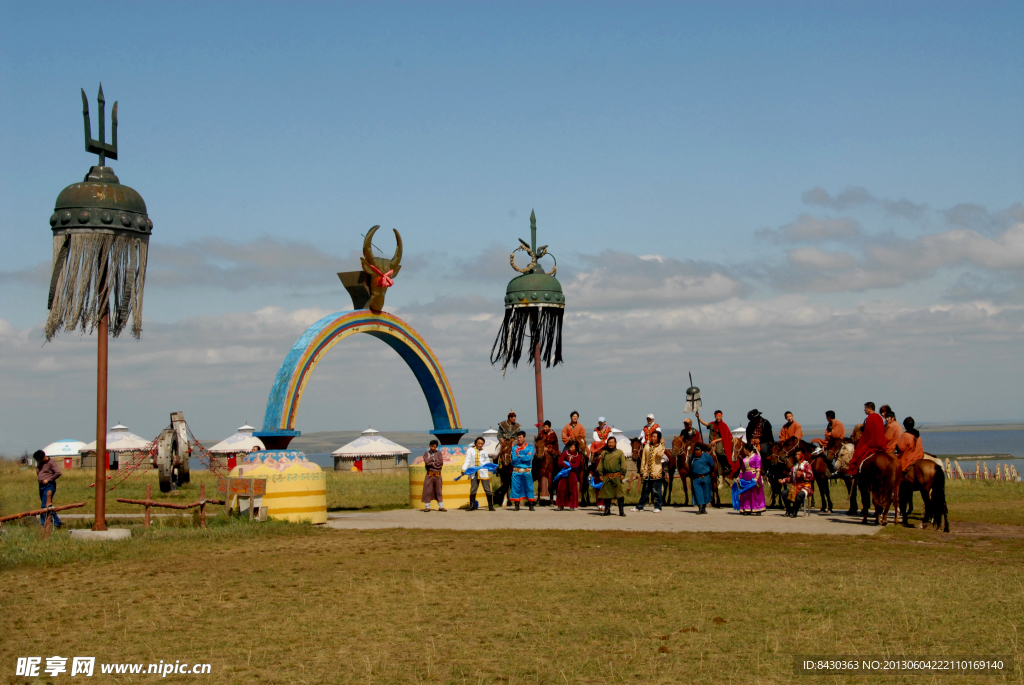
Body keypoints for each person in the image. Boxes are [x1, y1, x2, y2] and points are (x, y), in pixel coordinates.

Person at [848, 402, 886, 476]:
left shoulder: (871, 417)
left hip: (873, 444)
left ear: (869, 409)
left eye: (865, 408)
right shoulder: (879, 417)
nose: (864, 410)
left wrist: (861, 443)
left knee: (858, 454)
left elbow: (867, 434)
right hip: (882, 443)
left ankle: (853, 473)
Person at [633, 430, 665, 512]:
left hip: (656, 471)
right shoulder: (647, 446)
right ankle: (640, 506)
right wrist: (642, 469)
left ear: (658, 438)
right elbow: (644, 458)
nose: (652, 438)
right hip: (647, 471)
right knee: (645, 490)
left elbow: (659, 455)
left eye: (655, 437)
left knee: (657, 491)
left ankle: (658, 506)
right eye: (652, 436)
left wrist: (661, 444)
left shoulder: (661, 447)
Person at [697, 410, 735, 478]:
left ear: (722, 416)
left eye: (719, 416)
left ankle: (726, 466)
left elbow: (725, 437)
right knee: (704, 452)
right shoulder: (712, 424)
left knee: (719, 451)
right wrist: (698, 417)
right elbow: (705, 423)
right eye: (717, 416)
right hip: (711, 442)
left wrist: (715, 441)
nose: (718, 417)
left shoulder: (724, 425)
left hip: (719, 441)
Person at [596, 436, 627, 517]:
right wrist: (600, 474)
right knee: (607, 495)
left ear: (615, 443)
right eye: (609, 442)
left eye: (612, 442)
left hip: (617, 475)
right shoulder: (604, 453)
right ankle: (607, 510)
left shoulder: (619, 452)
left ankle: (621, 511)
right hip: (607, 476)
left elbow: (623, 464)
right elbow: (600, 465)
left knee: (619, 494)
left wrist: (623, 474)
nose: (610, 444)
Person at [461, 436, 494, 511]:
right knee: (473, 489)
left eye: (482, 444)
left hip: (483, 472)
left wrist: (489, 466)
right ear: (476, 443)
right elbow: (467, 460)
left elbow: (487, 461)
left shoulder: (484, 452)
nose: (480, 445)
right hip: (474, 472)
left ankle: (490, 506)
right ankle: (472, 505)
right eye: (479, 443)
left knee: (487, 489)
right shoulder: (470, 450)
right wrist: (464, 469)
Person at [34, 450, 62, 528]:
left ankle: (43, 525)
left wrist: (48, 479)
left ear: (43, 457)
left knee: (44, 506)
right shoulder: (40, 463)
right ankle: (56, 522)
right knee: (47, 505)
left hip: (49, 485)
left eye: (38, 459)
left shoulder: (51, 462)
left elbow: (58, 472)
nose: (38, 461)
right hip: (41, 486)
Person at [781, 450, 814, 517]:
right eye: (796, 454)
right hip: (795, 487)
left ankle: (795, 511)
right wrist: (783, 480)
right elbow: (790, 478)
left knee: (800, 495)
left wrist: (802, 474)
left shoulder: (807, 464)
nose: (797, 456)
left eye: (798, 454)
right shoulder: (794, 466)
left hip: (805, 487)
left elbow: (811, 476)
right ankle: (788, 510)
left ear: (802, 455)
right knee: (784, 493)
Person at [509, 431, 536, 511]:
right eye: (518, 437)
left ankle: (531, 505)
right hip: (516, 471)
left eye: (521, 437)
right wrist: (523, 457)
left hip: (526, 471)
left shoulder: (530, 447)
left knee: (529, 487)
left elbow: (528, 458)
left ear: (524, 438)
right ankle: (517, 505)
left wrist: (519, 456)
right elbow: (514, 459)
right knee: (515, 488)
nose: (519, 439)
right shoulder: (514, 447)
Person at [554, 441, 583, 510]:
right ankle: (560, 505)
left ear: (576, 448)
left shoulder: (578, 455)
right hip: (564, 472)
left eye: (572, 447)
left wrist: (568, 464)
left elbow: (577, 464)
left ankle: (572, 505)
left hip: (572, 473)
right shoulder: (565, 453)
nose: (570, 448)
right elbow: (560, 461)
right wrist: (567, 465)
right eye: (570, 446)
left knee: (572, 489)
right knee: (561, 488)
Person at [738, 445, 766, 515]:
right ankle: (747, 508)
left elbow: (758, 468)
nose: (743, 451)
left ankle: (758, 508)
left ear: (747, 450)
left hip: (754, 476)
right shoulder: (744, 458)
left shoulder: (756, 457)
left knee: (755, 492)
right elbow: (742, 470)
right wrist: (739, 477)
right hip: (746, 477)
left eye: (744, 449)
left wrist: (756, 478)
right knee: (746, 492)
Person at [688, 443, 715, 514]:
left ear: (701, 451)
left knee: (706, 492)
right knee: (698, 493)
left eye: (698, 453)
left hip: (705, 477)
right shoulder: (692, 457)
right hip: (696, 478)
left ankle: (704, 508)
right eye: (696, 453)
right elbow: (690, 464)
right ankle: (700, 508)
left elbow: (712, 465)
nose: (697, 454)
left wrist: (708, 473)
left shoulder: (707, 456)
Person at [420, 440, 446, 512]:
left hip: (437, 475)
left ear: (436, 447)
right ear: (429, 446)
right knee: (428, 491)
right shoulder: (426, 454)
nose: (433, 448)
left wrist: (432, 462)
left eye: (434, 446)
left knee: (439, 491)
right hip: (429, 475)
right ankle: (427, 507)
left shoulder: (439, 453)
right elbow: (427, 462)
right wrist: (434, 461)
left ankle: (441, 507)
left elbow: (440, 463)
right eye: (432, 446)